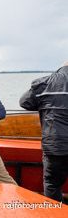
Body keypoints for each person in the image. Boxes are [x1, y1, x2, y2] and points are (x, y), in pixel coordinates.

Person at [19, 62, 68, 202]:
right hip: (55, 145)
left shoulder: (44, 83)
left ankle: (54, 214)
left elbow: (24, 102)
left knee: (52, 184)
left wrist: (46, 105)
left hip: (54, 145)